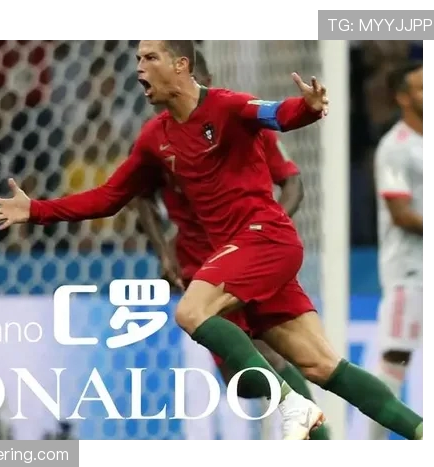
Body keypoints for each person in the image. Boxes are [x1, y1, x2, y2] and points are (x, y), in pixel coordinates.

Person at [0, 40, 423, 440]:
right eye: (136, 59)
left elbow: (278, 114)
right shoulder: (155, 138)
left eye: (149, 58)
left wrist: (306, 107)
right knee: (321, 364)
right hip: (234, 254)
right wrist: (36, 210)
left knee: (191, 312)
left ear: (181, 65)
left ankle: (295, 406)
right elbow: (111, 196)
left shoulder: (228, 106)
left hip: (264, 237)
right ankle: (423, 433)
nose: (139, 68)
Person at [134, 50, 330, 440]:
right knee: (240, 378)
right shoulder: (157, 138)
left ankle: (320, 438)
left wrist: (265, 234)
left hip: (248, 256)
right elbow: (139, 195)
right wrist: (163, 250)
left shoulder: (240, 121)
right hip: (197, 262)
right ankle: (301, 414)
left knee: (276, 355)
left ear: (205, 79)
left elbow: (292, 182)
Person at [370, 61, 423, 440]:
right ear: (403, 97)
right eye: (423, 88)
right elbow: (400, 214)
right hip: (411, 272)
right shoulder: (394, 148)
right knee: (396, 356)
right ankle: (370, 449)